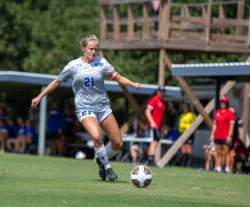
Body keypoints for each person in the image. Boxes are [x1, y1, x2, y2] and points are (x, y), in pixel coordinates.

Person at [31, 34, 140, 181]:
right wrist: (40, 96)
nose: (94, 52)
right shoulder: (73, 66)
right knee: (96, 136)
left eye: (96, 49)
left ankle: (101, 159)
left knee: (117, 143)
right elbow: (57, 82)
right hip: (85, 108)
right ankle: (107, 167)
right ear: (83, 48)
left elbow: (118, 77)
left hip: (103, 107)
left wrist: (133, 84)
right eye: (91, 49)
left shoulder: (102, 63)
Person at [210, 96, 235, 173]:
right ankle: (218, 167)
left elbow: (232, 125)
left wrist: (230, 135)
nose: (223, 103)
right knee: (218, 152)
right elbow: (215, 124)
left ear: (227, 103)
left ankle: (227, 168)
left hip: (225, 136)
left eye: (224, 102)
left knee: (226, 152)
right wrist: (212, 134)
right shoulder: (217, 112)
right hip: (218, 135)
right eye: (221, 102)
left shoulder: (230, 113)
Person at [145, 86, 166, 166]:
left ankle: (151, 160)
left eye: (163, 91)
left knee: (156, 143)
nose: (162, 93)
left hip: (159, 127)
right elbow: (147, 111)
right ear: (157, 91)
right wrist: (152, 122)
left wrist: (163, 126)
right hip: (153, 126)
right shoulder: (155, 99)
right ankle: (151, 161)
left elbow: (162, 116)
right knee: (153, 143)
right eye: (160, 91)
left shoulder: (163, 102)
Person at [178, 102, 196, 167]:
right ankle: (183, 164)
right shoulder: (182, 115)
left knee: (188, 148)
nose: (184, 108)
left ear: (188, 108)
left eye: (185, 107)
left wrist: (193, 133)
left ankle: (189, 164)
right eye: (183, 107)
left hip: (188, 133)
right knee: (183, 149)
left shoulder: (191, 115)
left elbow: (194, 124)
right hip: (181, 133)